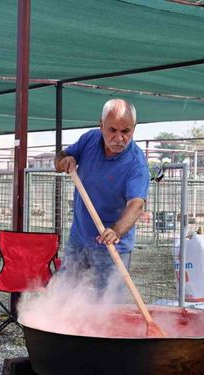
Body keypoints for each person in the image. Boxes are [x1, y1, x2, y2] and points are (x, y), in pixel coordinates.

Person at [54, 98, 150, 292]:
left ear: (134, 128)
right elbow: (60, 157)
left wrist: (116, 231)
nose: (119, 138)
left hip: (112, 246)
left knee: (107, 304)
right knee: (64, 292)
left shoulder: (136, 164)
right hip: (79, 238)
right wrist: (64, 161)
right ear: (101, 125)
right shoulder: (90, 139)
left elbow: (136, 204)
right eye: (112, 130)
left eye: (126, 131)